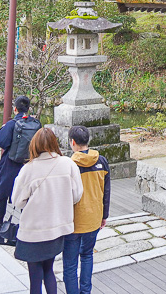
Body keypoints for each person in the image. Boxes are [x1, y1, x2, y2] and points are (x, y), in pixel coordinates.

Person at [12, 128, 83, 294]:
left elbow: (17, 201)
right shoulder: (68, 164)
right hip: (56, 228)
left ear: (34, 145)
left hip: (33, 231)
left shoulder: (28, 169)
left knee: (35, 277)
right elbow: (77, 195)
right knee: (48, 270)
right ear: (54, 143)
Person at [63, 125, 111, 294]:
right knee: (87, 255)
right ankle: (86, 291)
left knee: (70, 264)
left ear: (72, 142)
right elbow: (106, 191)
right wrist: (104, 215)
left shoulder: (69, 165)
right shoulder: (101, 161)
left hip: (74, 220)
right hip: (94, 217)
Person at [0, 95, 40, 228]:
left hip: (10, 162)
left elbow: (1, 142)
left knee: (3, 190)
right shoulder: (35, 124)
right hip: (29, 163)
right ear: (28, 108)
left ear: (15, 109)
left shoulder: (12, 124)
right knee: (27, 192)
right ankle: (26, 222)